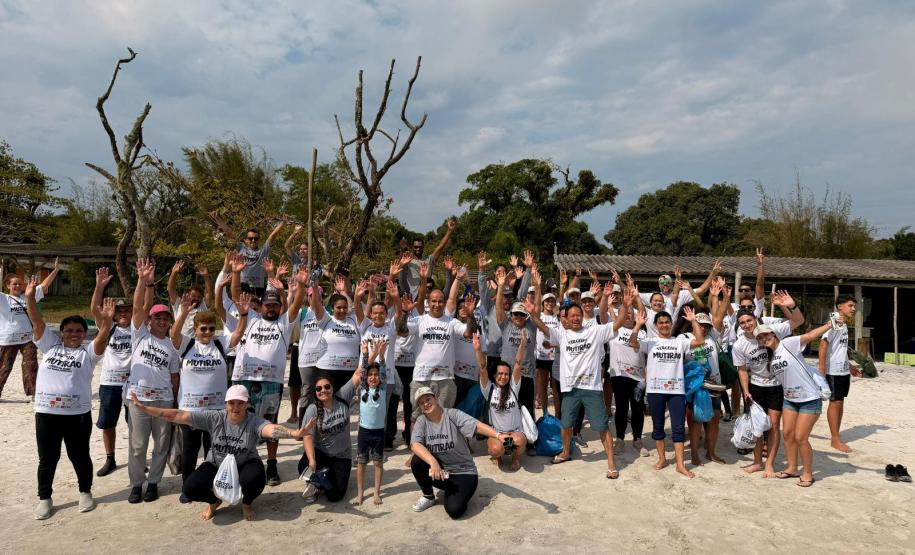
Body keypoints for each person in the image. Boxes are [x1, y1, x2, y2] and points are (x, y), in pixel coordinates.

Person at [130, 385, 312, 521]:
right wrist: (146, 409)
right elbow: (178, 415)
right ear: (225, 404)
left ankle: (246, 503)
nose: (236, 407)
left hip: (245, 464)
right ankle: (214, 501)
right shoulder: (214, 417)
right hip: (216, 464)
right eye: (231, 403)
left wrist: (294, 433)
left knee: (256, 478)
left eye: (240, 403)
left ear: (247, 404)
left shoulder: (253, 421)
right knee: (190, 487)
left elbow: (270, 430)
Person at [26, 276, 114, 520]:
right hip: (46, 413)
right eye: (69, 331)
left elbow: (103, 335)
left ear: (84, 334)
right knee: (47, 458)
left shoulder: (88, 353)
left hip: (77, 415)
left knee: (80, 456)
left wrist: (106, 321)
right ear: (61, 333)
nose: (74, 334)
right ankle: (45, 498)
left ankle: (85, 492)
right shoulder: (50, 346)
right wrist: (30, 296)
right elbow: (35, 318)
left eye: (78, 331)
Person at [529, 291, 627, 479]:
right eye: (572, 316)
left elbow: (618, 323)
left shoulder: (595, 331)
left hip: (592, 388)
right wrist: (534, 313)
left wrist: (627, 305)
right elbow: (541, 326)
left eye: (578, 315)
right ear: (565, 318)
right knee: (566, 424)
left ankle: (611, 462)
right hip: (570, 389)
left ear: (583, 317)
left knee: (602, 426)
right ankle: (565, 452)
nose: (575, 318)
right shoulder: (562, 335)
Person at [230, 260, 308, 487]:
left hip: (271, 382)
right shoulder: (251, 319)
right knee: (239, 422)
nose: (271, 308)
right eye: (268, 305)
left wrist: (300, 287)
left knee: (271, 424)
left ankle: (271, 464)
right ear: (261, 306)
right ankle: (242, 459)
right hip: (244, 379)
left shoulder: (284, 323)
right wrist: (236, 273)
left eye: (275, 305)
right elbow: (236, 296)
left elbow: (295, 305)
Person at [170, 292, 246, 500]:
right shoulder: (187, 345)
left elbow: (239, 333)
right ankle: (187, 487)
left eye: (211, 328)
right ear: (195, 330)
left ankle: (213, 484)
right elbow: (174, 335)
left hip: (216, 411)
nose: (208, 332)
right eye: (203, 329)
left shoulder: (220, 343)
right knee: (190, 450)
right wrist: (183, 312)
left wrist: (244, 314)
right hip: (190, 410)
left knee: (213, 450)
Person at [753, 316, 835, 487]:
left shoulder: (788, 344)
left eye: (766, 334)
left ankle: (807, 473)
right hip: (790, 400)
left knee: (801, 437)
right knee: (788, 434)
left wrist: (829, 324)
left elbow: (810, 336)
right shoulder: (772, 358)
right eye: (760, 338)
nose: (764, 338)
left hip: (809, 398)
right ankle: (792, 467)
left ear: (774, 334)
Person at [125, 258, 181, 503]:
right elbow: (137, 307)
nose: (161, 321)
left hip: (164, 400)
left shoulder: (172, 345)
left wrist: (175, 401)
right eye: (157, 318)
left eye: (165, 318)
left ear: (169, 322)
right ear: (150, 321)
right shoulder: (139, 335)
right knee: (138, 446)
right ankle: (137, 483)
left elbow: (175, 375)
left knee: (161, 445)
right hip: (138, 400)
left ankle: (154, 483)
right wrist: (142, 280)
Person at [733, 290, 805, 477]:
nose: (746, 325)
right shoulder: (739, 345)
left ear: (755, 318)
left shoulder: (772, 330)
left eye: (749, 320)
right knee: (758, 427)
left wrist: (787, 305)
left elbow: (798, 321)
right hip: (756, 387)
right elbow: (742, 370)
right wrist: (746, 391)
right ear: (739, 325)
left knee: (773, 426)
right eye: (742, 323)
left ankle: (770, 464)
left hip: (776, 386)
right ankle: (757, 462)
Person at [628, 306, 705, 479]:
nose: (664, 325)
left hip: (676, 390)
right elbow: (632, 343)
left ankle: (680, 465)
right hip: (655, 390)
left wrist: (693, 320)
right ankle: (662, 459)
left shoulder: (679, 341)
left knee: (678, 428)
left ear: (671, 324)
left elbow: (700, 341)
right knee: (658, 426)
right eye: (661, 323)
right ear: (656, 325)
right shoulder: (649, 341)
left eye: (667, 322)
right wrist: (638, 325)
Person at [410, 386, 509, 519]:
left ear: (436, 398)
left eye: (428, 399)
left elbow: (477, 426)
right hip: (442, 472)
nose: (426, 404)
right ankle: (428, 496)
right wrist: (433, 462)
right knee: (417, 461)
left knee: (454, 511)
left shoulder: (452, 415)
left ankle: (458, 491)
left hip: (464, 472)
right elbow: (415, 445)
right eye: (422, 403)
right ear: (420, 407)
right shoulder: (421, 421)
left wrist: (498, 435)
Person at [396, 286, 479, 418]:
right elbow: (401, 331)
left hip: (445, 379)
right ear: (428, 303)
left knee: (443, 417)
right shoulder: (420, 320)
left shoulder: (452, 322)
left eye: (440, 301)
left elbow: (469, 333)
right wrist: (405, 312)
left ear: (445, 303)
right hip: (421, 378)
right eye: (433, 301)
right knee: (418, 418)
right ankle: (415, 440)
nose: (437, 304)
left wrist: (470, 315)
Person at [90, 267, 135, 477]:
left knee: (135, 424)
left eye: (127, 310)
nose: (123, 313)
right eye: (120, 310)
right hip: (109, 383)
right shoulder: (107, 328)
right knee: (108, 424)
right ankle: (110, 459)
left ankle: (136, 458)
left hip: (134, 384)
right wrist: (99, 286)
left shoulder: (138, 329)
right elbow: (94, 309)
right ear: (115, 313)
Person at [298, 368, 360, 504]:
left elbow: (358, 374)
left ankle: (320, 480)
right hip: (322, 454)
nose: (323, 390)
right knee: (304, 464)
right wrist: (312, 460)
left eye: (326, 386)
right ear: (315, 392)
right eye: (318, 389)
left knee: (335, 496)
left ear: (332, 387)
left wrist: (371, 354)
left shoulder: (342, 397)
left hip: (342, 456)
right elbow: (307, 436)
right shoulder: (312, 410)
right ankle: (315, 482)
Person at [0, 258, 59, 400]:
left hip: (28, 338)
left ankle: (34, 394)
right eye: (14, 284)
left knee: (31, 366)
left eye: (20, 283)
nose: (18, 286)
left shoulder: (28, 296)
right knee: (3, 367)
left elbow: (44, 286)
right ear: (8, 285)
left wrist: (55, 270)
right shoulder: (3, 299)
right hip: (8, 339)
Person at [606, 282, 649, 457]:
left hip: (638, 377)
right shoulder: (614, 331)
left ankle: (638, 439)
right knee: (622, 408)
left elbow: (646, 356)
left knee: (638, 409)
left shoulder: (643, 333)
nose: (628, 316)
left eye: (632, 314)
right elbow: (610, 314)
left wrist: (636, 298)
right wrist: (612, 305)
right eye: (626, 314)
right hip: (619, 376)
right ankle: (621, 439)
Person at [476, 331, 528, 470]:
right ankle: (498, 455)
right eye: (500, 373)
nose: (503, 377)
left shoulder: (513, 388)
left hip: (514, 432)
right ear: (495, 375)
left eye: (506, 374)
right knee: (495, 449)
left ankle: (515, 457)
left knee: (518, 441)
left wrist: (522, 344)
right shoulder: (489, 390)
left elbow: (517, 364)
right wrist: (478, 350)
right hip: (497, 433)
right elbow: (482, 368)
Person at [493, 267, 539, 419]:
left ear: (526, 315)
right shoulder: (506, 325)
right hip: (507, 375)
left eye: (522, 314)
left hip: (527, 375)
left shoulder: (531, 326)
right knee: (507, 409)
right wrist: (500, 286)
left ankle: (530, 440)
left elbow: (536, 311)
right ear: (511, 315)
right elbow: (499, 306)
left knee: (527, 411)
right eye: (515, 314)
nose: (518, 316)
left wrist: (537, 288)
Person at [310, 276, 367, 393]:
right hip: (327, 369)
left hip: (349, 370)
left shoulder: (354, 321)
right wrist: (315, 288)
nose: (342, 310)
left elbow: (354, 307)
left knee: (345, 403)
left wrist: (344, 292)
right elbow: (317, 305)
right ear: (332, 308)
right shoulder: (326, 319)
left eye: (344, 308)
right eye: (338, 308)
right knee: (326, 401)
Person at [209, 212, 285, 296]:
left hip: (258, 288)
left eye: (255, 238)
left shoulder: (263, 251)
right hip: (242, 286)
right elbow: (229, 233)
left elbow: (272, 236)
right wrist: (219, 220)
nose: (253, 240)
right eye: (250, 238)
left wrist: (282, 223)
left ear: (259, 239)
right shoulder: (241, 248)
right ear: (246, 240)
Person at [352, 340, 389, 506]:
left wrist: (381, 354)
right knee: (361, 463)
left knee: (378, 463)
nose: (373, 377)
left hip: (379, 432)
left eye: (376, 375)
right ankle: (360, 493)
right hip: (364, 431)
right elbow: (363, 370)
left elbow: (383, 370)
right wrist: (366, 353)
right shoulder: (363, 389)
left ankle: (376, 492)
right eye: (370, 375)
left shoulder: (382, 389)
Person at [820, 294, 857, 453]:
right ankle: (835, 439)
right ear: (840, 306)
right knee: (835, 402)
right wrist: (821, 373)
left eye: (854, 306)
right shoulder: (835, 321)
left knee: (840, 401)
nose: (853, 309)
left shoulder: (845, 325)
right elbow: (823, 345)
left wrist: (849, 365)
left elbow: (839, 348)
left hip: (842, 371)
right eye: (850, 305)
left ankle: (836, 435)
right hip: (832, 371)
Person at [398, 218, 455, 298]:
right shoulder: (407, 261)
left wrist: (449, 231)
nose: (418, 249)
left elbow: (440, 247)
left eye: (420, 247)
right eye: (416, 247)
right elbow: (400, 271)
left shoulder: (429, 260)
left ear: (423, 247)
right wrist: (402, 249)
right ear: (412, 247)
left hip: (427, 296)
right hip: (413, 297)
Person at [535, 292, 560, 416]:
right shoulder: (538, 316)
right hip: (542, 356)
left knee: (556, 387)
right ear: (543, 303)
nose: (550, 303)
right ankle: (545, 413)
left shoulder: (559, 317)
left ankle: (558, 415)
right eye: (547, 301)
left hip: (556, 356)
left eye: (552, 301)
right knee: (543, 386)